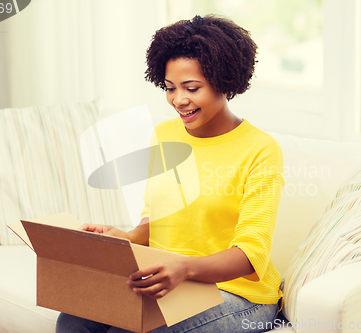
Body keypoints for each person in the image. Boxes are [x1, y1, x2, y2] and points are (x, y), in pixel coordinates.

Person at [56, 14, 285, 333]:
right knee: (74, 318)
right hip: (174, 283)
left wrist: (184, 268)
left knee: (139, 328)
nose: (179, 100)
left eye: (192, 88)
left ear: (225, 80)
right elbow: (156, 217)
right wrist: (124, 239)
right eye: (169, 88)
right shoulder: (165, 134)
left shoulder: (260, 148)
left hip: (242, 296)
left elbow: (250, 253)